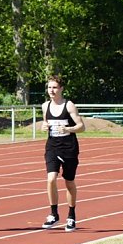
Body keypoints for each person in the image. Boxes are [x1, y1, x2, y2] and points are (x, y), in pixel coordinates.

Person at [40, 74, 85, 232]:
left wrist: (68, 129)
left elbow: (81, 126)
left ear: (61, 89)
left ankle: (71, 215)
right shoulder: (45, 106)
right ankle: (53, 214)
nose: (51, 90)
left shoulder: (69, 105)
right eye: (49, 87)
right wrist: (43, 126)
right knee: (51, 178)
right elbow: (45, 122)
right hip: (52, 146)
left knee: (69, 181)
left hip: (69, 148)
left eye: (54, 87)